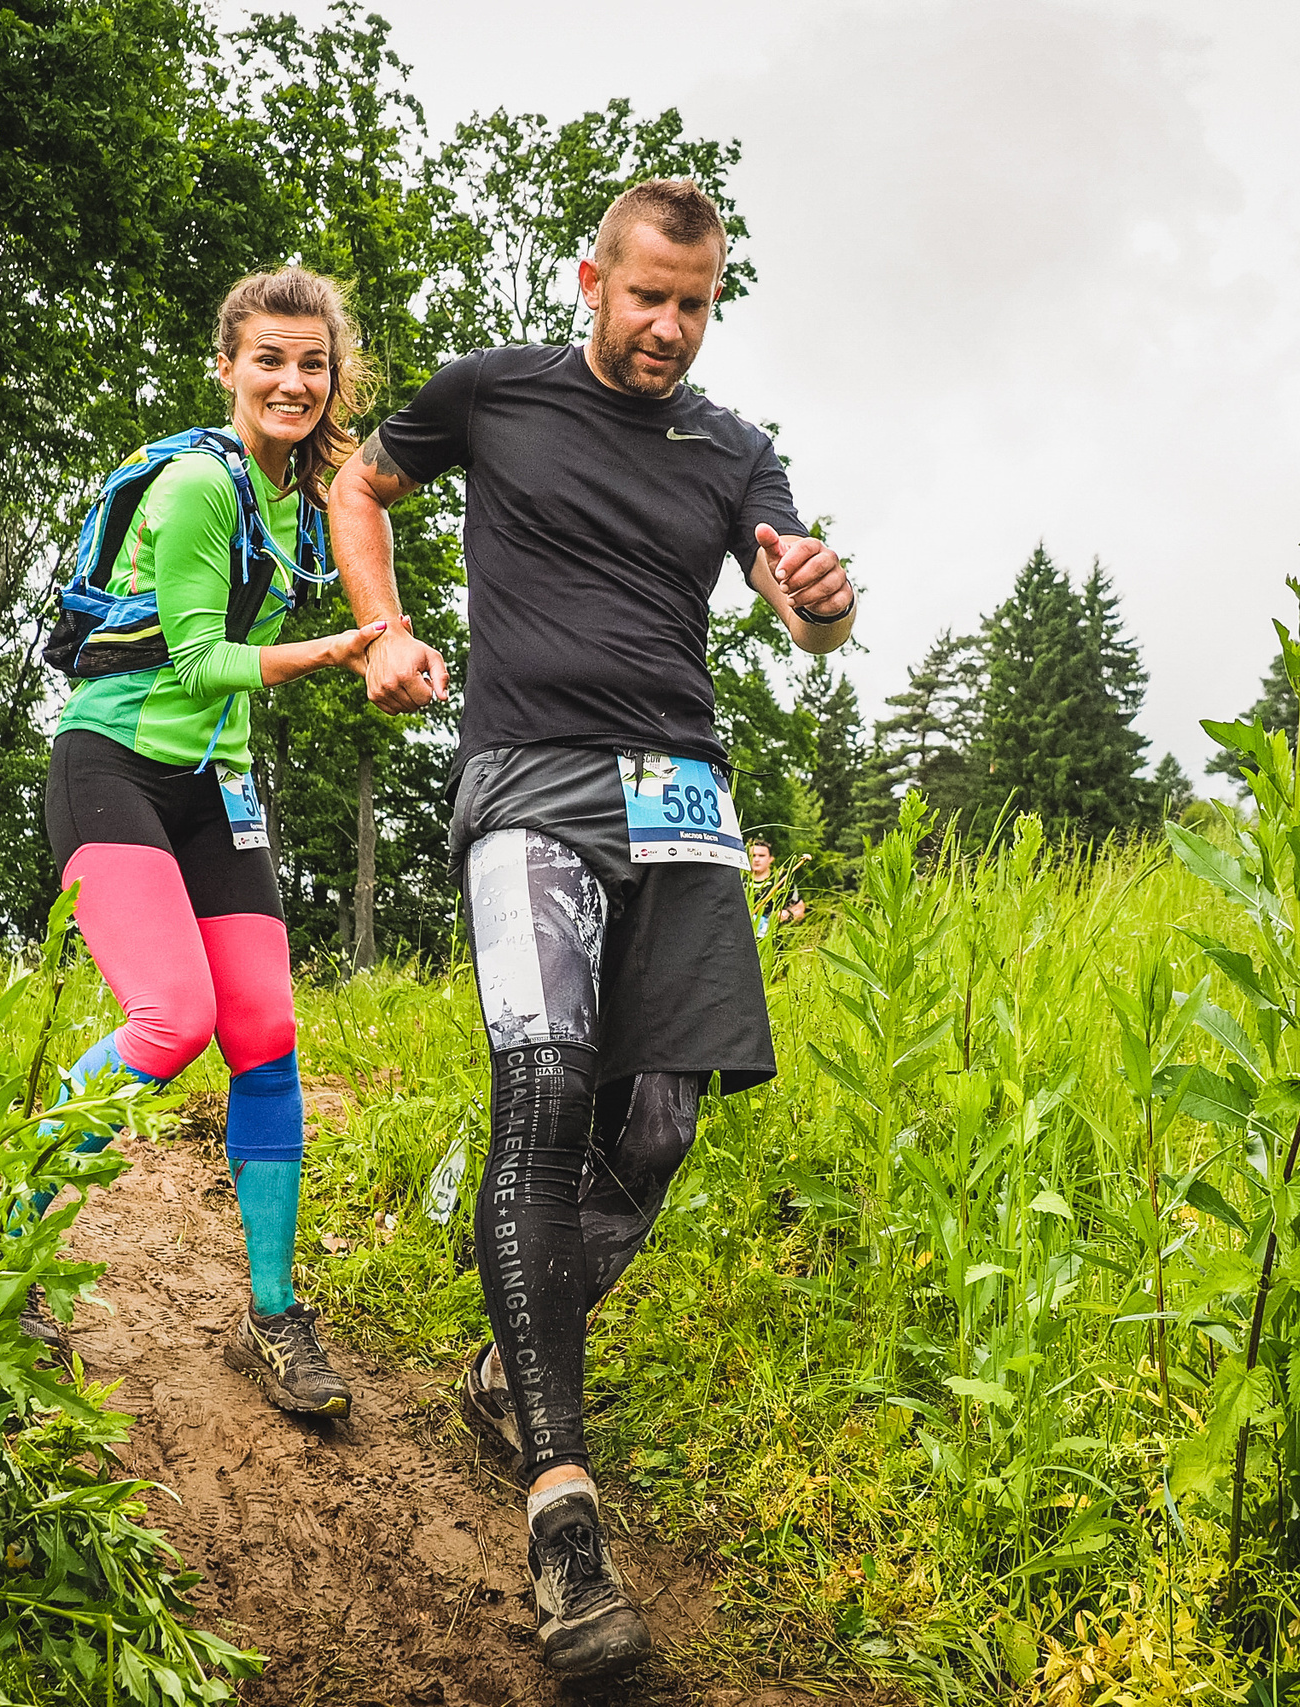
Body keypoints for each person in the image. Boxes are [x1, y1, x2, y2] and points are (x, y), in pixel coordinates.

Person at [327, 179, 857, 1679]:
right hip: (529, 784)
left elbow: (801, 603)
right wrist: (385, 630)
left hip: (682, 799)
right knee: (547, 1081)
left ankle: (515, 1361)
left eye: (696, 305)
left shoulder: (734, 447)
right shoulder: (491, 394)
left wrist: (820, 601)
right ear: (593, 278)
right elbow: (358, 488)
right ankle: (567, 1515)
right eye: (648, 298)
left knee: (661, 1125)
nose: (670, 329)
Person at [33, 266, 389, 1418]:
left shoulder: (301, 497)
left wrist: (389, 653)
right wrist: (343, 648)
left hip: (213, 785)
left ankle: (275, 1315)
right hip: (114, 766)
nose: (292, 380)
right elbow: (198, 662)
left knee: (264, 1032)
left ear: (333, 375)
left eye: (312, 361)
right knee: (172, 1020)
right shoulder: (196, 484)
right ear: (228, 366)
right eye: (270, 359)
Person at [744, 840, 808, 940]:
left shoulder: (783, 882)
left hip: (773, 942)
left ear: (771, 858)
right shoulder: (740, 882)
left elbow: (800, 911)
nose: (756, 859)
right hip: (742, 941)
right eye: (753, 855)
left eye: (761, 856)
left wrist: (788, 915)